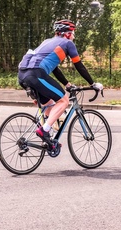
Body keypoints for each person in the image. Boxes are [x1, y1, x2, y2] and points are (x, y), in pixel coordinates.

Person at [18, 19, 103, 148]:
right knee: (63, 101)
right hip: (36, 74)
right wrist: (92, 84)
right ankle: (44, 130)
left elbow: (54, 68)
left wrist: (67, 84)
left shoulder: (47, 42)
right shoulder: (67, 43)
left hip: (23, 75)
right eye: (73, 33)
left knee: (49, 104)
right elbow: (79, 65)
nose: (73, 36)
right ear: (67, 34)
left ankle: (48, 139)